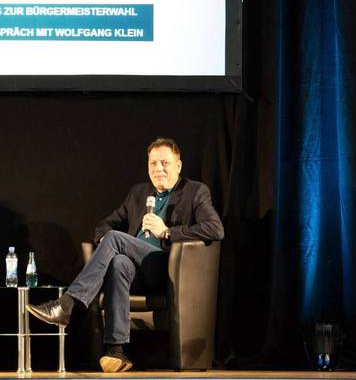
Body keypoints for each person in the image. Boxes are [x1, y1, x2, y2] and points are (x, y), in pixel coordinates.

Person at [26, 138, 224, 372]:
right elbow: (105, 226)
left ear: (178, 165)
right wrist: (105, 246)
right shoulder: (138, 193)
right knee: (118, 261)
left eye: (165, 163)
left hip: (165, 268)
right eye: (153, 164)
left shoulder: (195, 191)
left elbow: (215, 229)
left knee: (115, 240)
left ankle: (68, 304)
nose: (158, 169)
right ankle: (117, 352)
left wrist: (167, 232)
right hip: (134, 269)